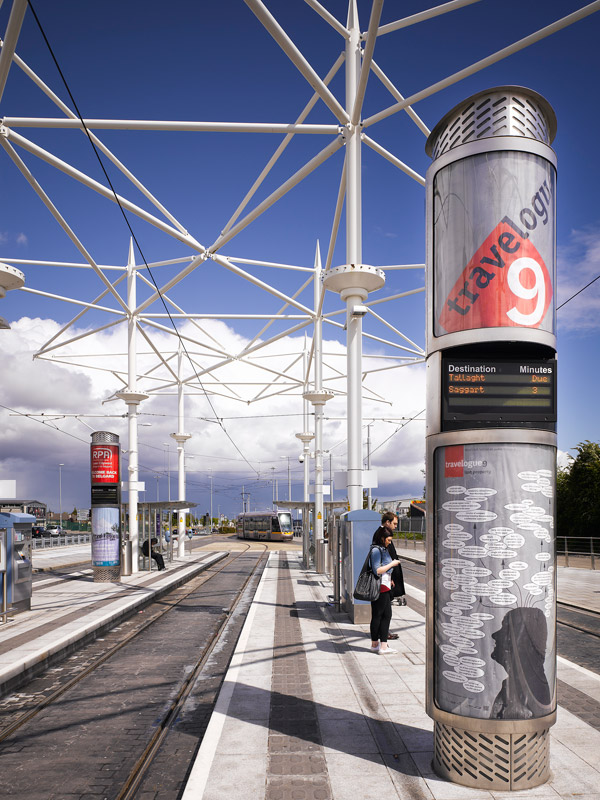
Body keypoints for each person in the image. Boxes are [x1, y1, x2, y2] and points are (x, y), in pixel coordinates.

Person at [490, 607, 552, 720]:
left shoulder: (524, 696)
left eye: (505, 629)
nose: (494, 635)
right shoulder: (521, 686)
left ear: (519, 642)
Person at [369, 526, 402, 654]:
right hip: (380, 587)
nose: (389, 542)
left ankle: (378, 645)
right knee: (381, 615)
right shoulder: (376, 550)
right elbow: (377, 570)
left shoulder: (381, 549)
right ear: (382, 538)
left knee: (383, 615)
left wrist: (390, 578)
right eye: (388, 540)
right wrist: (392, 564)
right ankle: (381, 646)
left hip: (385, 584)